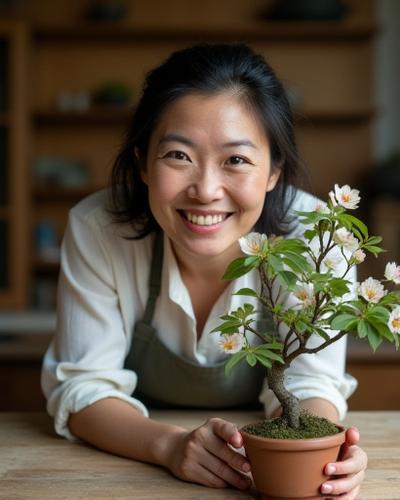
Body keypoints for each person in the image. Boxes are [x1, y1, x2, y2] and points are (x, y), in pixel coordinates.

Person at [41, 42, 367, 497]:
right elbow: (83, 388)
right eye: (179, 155)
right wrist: (170, 446)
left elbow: (312, 381)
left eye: (236, 160)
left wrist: (318, 452)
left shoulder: (317, 238)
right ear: (142, 163)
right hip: (135, 459)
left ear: (274, 170)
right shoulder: (98, 229)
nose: (206, 190)